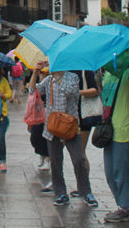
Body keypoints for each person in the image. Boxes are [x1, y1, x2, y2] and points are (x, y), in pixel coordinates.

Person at [37, 69, 98, 206]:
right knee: (55, 162)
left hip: (70, 125)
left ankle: (86, 191)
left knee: (78, 159)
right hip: (52, 126)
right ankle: (60, 193)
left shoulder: (73, 77)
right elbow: (34, 91)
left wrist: (58, 77)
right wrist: (37, 74)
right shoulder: (49, 79)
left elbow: (70, 92)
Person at [101, 47, 129, 223]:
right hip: (108, 130)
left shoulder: (127, 75)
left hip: (124, 131)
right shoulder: (109, 75)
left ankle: (124, 207)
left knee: (121, 171)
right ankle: (122, 206)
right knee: (109, 173)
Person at [24, 65, 50, 172]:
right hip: (38, 114)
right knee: (35, 137)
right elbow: (32, 90)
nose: (43, 74)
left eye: (45, 72)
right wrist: (35, 73)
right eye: (42, 72)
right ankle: (42, 154)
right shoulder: (43, 81)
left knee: (47, 137)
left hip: (50, 114)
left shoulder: (52, 79)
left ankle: (48, 159)